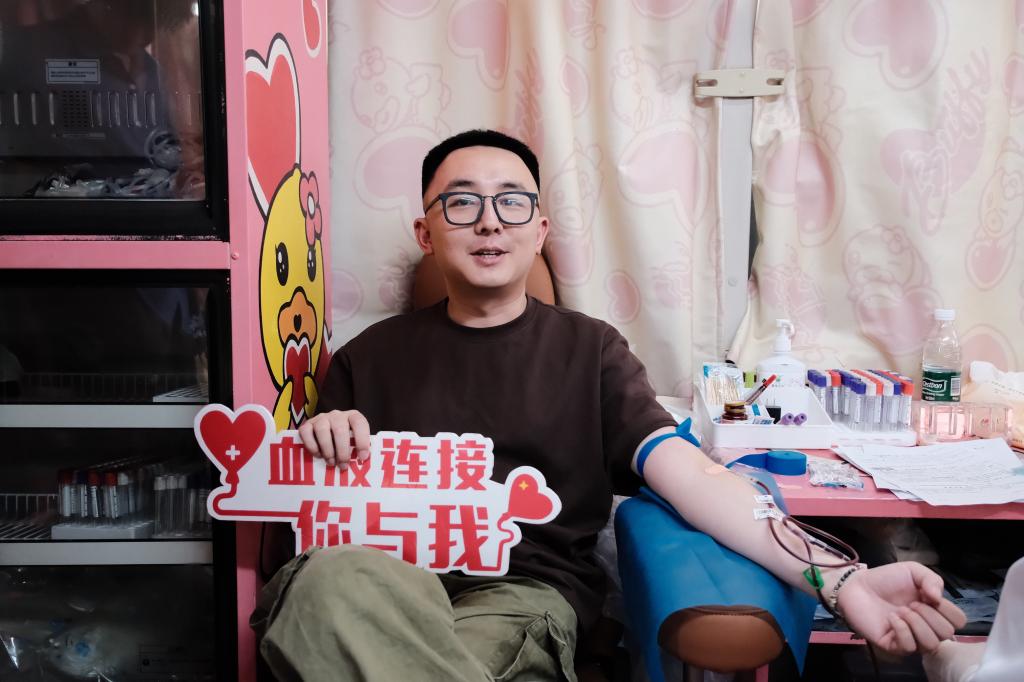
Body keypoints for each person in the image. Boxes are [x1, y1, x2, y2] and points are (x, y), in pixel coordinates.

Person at [252, 129, 967, 681]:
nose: (489, 222)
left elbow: (697, 478)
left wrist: (843, 580)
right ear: (425, 231)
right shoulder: (367, 358)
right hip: (382, 585)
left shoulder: (589, 350)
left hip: (520, 595)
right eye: (461, 202)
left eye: (512, 202)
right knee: (321, 584)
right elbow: (310, 528)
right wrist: (323, 441)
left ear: (539, 230)